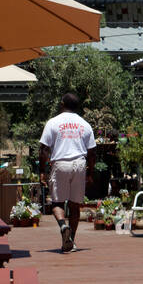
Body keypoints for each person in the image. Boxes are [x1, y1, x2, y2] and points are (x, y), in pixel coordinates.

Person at [40, 92, 97, 252]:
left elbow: (44, 149)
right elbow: (92, 152)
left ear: (62, 104)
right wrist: (90, 173)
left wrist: (42, 171)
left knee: (57, 203)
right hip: (79, 164)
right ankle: (71, 240)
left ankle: (63, 225)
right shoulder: (85, 124)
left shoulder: (53, 122)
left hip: (61, 164)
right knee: (74, 206)